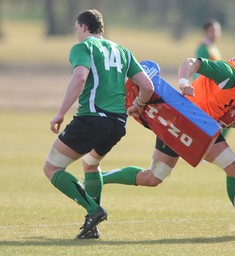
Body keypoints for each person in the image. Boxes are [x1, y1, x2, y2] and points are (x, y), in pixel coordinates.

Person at [99, 51, 235, 238]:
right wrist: (184, 83)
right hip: (189, 124)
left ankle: (95, 179)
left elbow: (220, 103)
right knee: (233, 166)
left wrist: (232, 117)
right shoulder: (229, 73)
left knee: (153, 178)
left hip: (190, 124)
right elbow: (191, 62)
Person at [42, 9, 154, 239]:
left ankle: (94, 210)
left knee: (52, 168)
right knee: (91, 165)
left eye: (76, 30)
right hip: (117, 124)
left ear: (83, 27)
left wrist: (61, 113)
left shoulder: (83, 48)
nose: (76, 35)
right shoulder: (123, 51)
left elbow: (80, 77)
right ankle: (92, 228)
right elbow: (148, 86)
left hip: (92, 119)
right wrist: (138, 106)